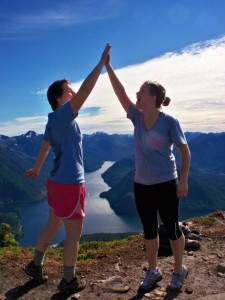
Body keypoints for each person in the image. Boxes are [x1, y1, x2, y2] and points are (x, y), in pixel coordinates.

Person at [23, 43, 111, 294]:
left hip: (55, 182)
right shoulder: (63, 115)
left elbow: (45, 144)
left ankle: (35, 264)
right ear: (60, 98)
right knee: (73, 236)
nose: (74, 94)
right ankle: (69, 280)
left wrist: (37, 168)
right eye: (70, 91)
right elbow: (85, 92)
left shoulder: (52, 120)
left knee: (53, 224)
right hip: (71, 183)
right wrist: (101, 64)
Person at [105, 51, 191, 292]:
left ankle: (178, 270)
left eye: (140, 92)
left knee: (173, 229)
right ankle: (153, 270)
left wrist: (182, 181)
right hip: (141, 185)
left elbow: (185, 153)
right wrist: (107, 67)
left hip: (166, 184)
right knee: (149, 230)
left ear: (152, 97)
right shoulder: (137, 117)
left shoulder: (170, 122)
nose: (136, 95)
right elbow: (120, 93)